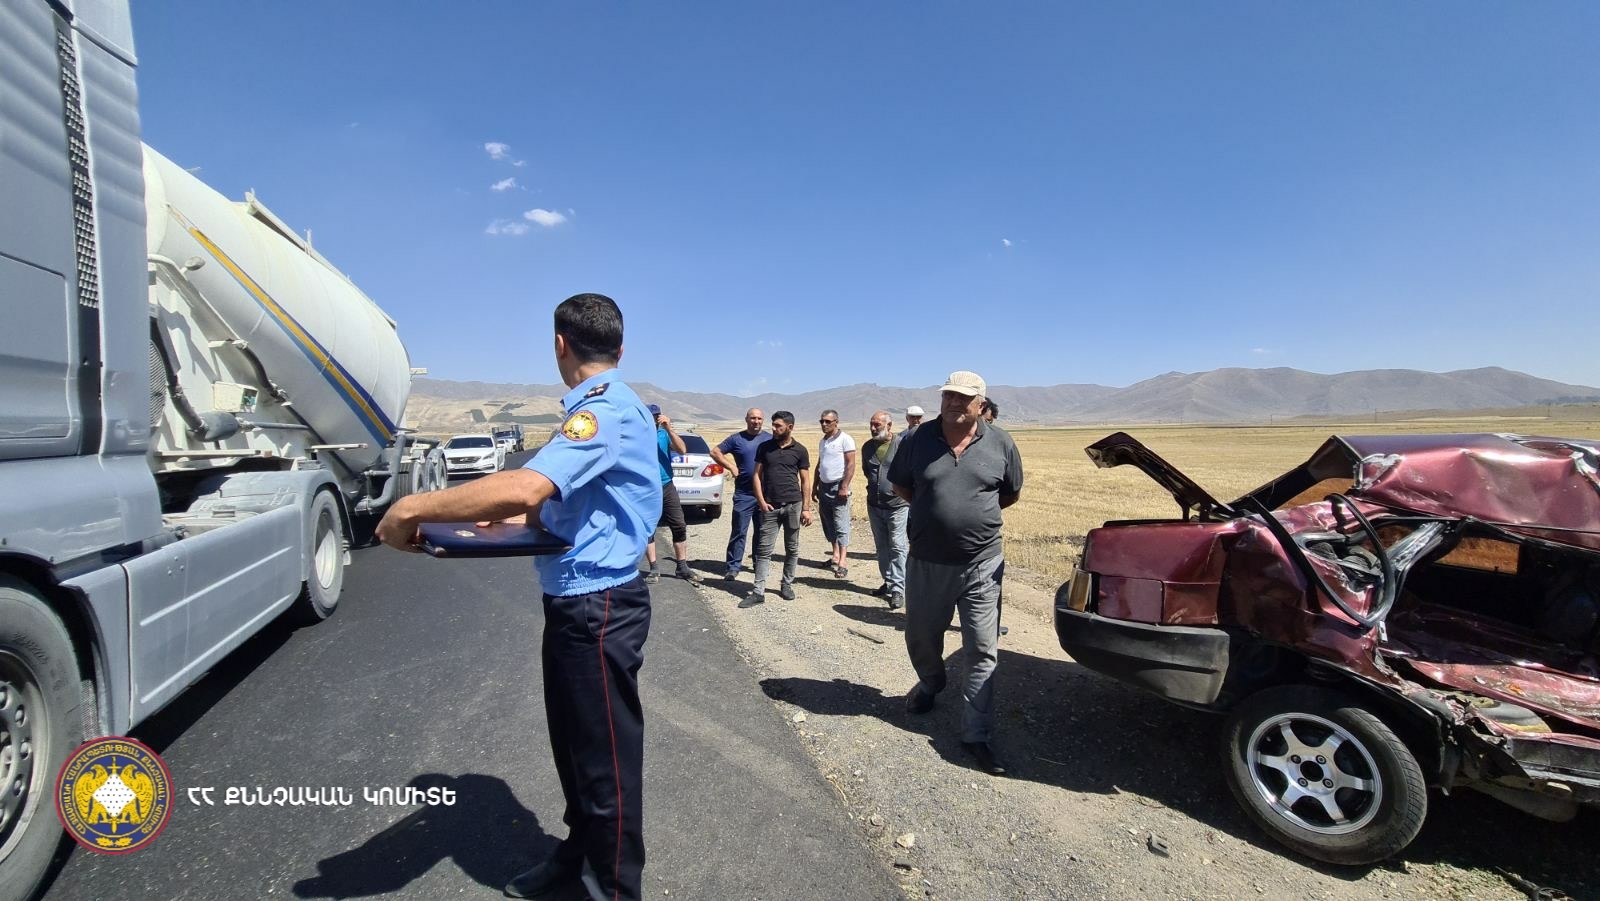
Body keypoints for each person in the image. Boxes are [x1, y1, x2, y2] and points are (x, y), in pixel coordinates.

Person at [375, 293, 657, 900]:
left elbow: (527, 485)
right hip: (579, 602)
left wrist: (413, 505)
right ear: (619, 348)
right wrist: (504, 523)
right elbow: (570, 505)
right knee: (576, 754)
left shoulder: (602, 411)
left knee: (603, 764)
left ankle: (613, 890)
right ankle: (575, 861)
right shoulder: (604, 408)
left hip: (599, 607)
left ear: (560, 344)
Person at [889, 370, 1023, 777]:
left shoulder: (1001, 442)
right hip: (928, 560)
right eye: (948, 395)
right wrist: (936, 514)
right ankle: (931, 683)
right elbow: (902, 487)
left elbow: (1010, 493)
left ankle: (975, 734)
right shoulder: (916, 440)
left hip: (983, 562)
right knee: (921, 636)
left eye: (963, 398)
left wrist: (970, 517)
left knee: (982, 647)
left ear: (981, 405)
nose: (953, 403)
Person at [743, 411, 813, 608]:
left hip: (793, 506)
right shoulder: (764, 448)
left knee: (792, 548)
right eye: (773, 425)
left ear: (790, 427)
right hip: (770, 506)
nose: (773, 429)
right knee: (764, 550)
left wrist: (806, 508)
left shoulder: (800, 450)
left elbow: (805, 481)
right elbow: (756, 476)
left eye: (778, 426)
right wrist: (760, 501)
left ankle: (786, 584)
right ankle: (758, 591)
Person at [711, 409, 769, 581]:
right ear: (746, 419)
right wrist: (731, 467)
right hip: (744, 494)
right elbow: (715, 452)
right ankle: (733, 567)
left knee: (762, 531)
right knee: (739, 531)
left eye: (759, 418)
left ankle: (759, 564)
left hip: (765, 494)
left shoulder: (770, 439)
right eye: (753, 418)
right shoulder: (736, 439)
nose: (756, 421)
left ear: (763, 420)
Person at [643, 404, 699, 583]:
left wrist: (669, 429)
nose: (655, 419)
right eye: (652, 416)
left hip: (667, 485)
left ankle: (682, 567)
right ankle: (653, 568)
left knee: (679, 524)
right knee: (648, 528)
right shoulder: (638, 433)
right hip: (646, 488)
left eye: (657, 416)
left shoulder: (664, 433)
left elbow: (682, 450)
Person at [860, 410, 908, 610]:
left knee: (897, 545)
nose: (873, 428)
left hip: (898, 505)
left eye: (877, 425)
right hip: (875, 505)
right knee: (882, 546)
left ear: (889, 425)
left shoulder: (902, 446)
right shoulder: (867, 448)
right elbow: (867, 472)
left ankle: (898, 589)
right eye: (871, 424)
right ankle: (888, 581)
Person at [813, 409, 857, 578]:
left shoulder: (845, 439)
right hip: (824, 487)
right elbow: (820, 464)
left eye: (827, 421)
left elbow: (851, 464)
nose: (824, 424)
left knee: (841, 523)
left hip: (839, 486)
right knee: (828, 522)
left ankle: (843, 562)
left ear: (836, 422)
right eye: (822, 421)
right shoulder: (823, 441)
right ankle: (835, 555)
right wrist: (815, 485)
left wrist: (844, 486)